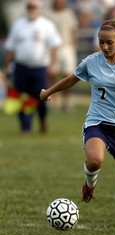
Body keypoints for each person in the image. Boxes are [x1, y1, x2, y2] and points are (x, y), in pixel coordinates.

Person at [40, 19, 115, 233]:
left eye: (109, 42)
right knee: (94, 160)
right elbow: (71, 79)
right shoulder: (91, 62)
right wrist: (49, 92)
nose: (104, 47)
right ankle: (89, 185)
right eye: (101, 42)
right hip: (97, 122)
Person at [3, 0, 62, 134]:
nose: (31, 9)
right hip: (21, 67)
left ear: (39, 8)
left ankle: (42, 120)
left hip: (40, 68)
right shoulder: (18, 25)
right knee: (22, 98)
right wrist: (7, 67)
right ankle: (25, 127)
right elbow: (10, 47)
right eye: (29, 6)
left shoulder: (47, 25)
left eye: (33, 6)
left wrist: (53, 65)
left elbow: (54, 46)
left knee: (42, 97)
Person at [46, 0, 78, 111]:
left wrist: (73, 47)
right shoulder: (48, 14)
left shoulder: (69, 13)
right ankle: (53, 100)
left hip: (66, 47)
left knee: (68, 75)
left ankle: (66, 100)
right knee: (52, 74)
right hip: (53, 48)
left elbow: (73, 30)